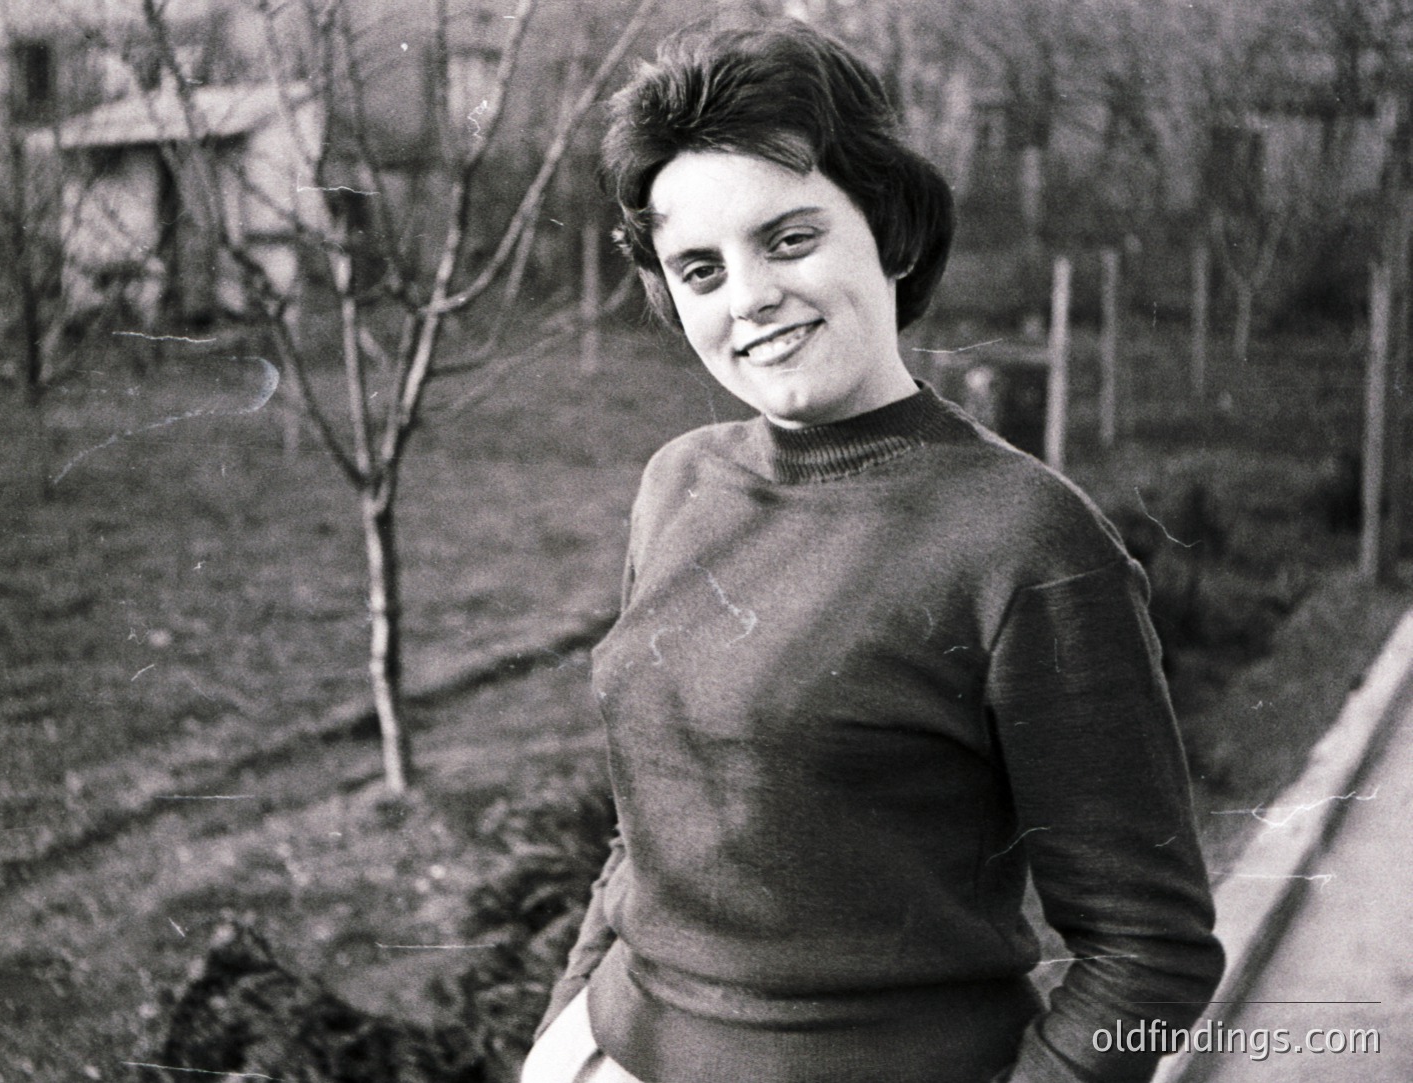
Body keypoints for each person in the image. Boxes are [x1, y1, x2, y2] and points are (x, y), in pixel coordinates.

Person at [522, 21, 1223, 1083]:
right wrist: (563, 1031)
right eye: (699, 269)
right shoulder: (678, 483)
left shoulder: (1026, 540)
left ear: (889, 231)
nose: (748, 297)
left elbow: (1151, 950)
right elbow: (643, 828)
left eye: (789, 239)